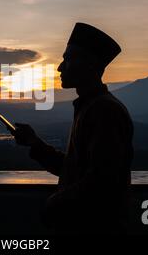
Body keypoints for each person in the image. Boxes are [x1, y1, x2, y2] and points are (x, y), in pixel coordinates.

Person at [12, 22, 134, 234]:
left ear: (88, 64)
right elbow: (76, 170)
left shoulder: (103, 110)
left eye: (67, 59)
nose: (60, 67)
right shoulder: (91, 106)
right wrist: (35, 143)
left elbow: (101, 181)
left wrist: (55, 202)